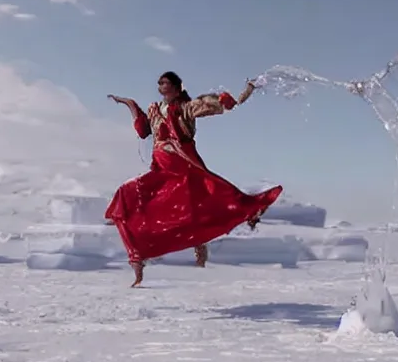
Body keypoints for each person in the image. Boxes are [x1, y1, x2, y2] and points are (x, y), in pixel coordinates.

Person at [106, 71, 283, 287]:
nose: (161, 86)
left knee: (200, 205)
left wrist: (238, 95)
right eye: (159, 82)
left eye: (166, 83)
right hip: (162, 169)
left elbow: (219, 105)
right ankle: (138, 258)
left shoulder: (185, 107)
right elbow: (144, 131)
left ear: (177, 87)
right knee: (127, 194)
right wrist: (129, 103)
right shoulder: (155, 109)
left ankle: (227, 224)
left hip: (183, 168)